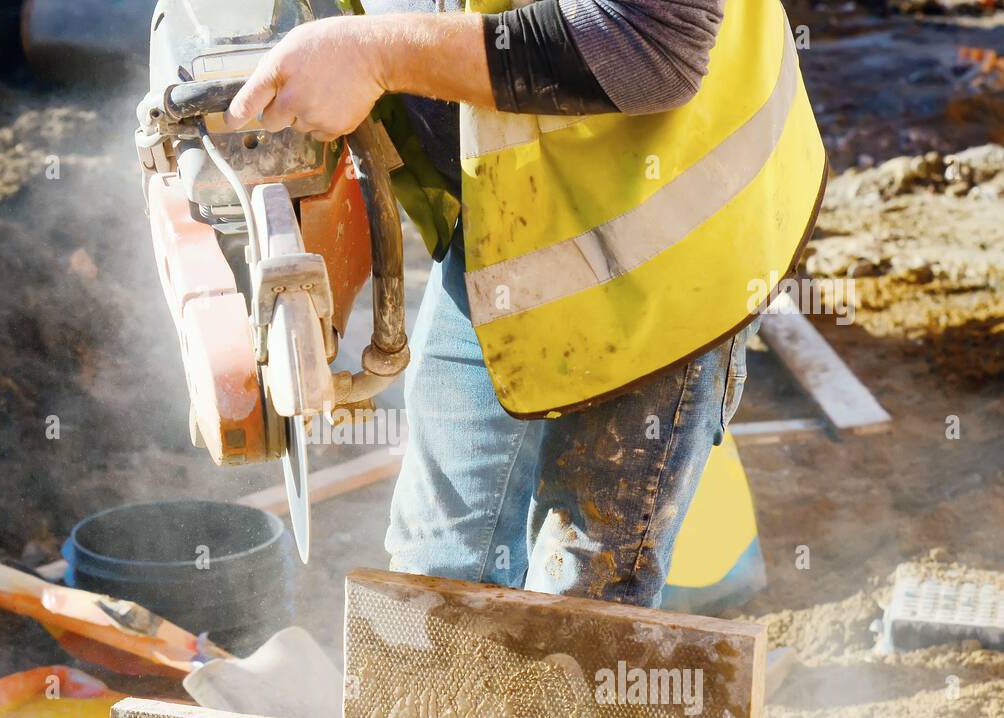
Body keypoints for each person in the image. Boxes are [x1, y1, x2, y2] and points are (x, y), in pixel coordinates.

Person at [225, 0, 825, 607]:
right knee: (434, 574)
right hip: (506, 215)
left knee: (576, 610)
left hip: (666, 237)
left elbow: (653, 48)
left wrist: (376, 53)